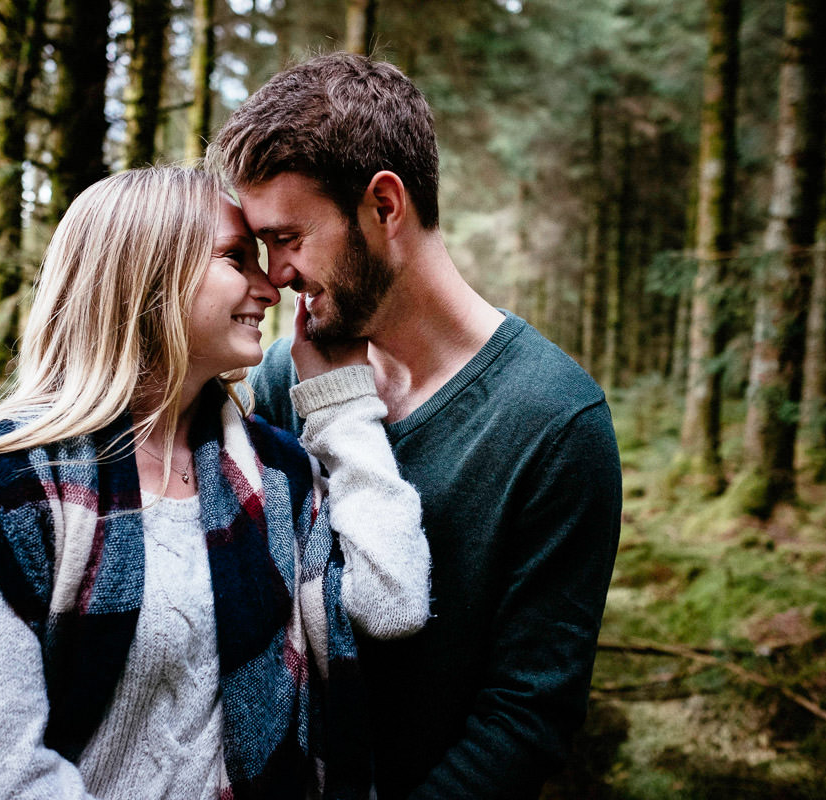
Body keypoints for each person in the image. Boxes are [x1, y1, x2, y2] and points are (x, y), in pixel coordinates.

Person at [0, 166, 431, 800]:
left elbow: (393, 604)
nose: (270, 288)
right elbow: (1, 773)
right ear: (147, 274)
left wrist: (340, 405)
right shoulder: (17, 479)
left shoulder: (275, 475)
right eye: (235, 259)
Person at [206, 53, 622, 799]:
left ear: (385, 207)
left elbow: (527, 717)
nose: (273, 277)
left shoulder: (556, 422)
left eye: (289, 238)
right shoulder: (279, 379)